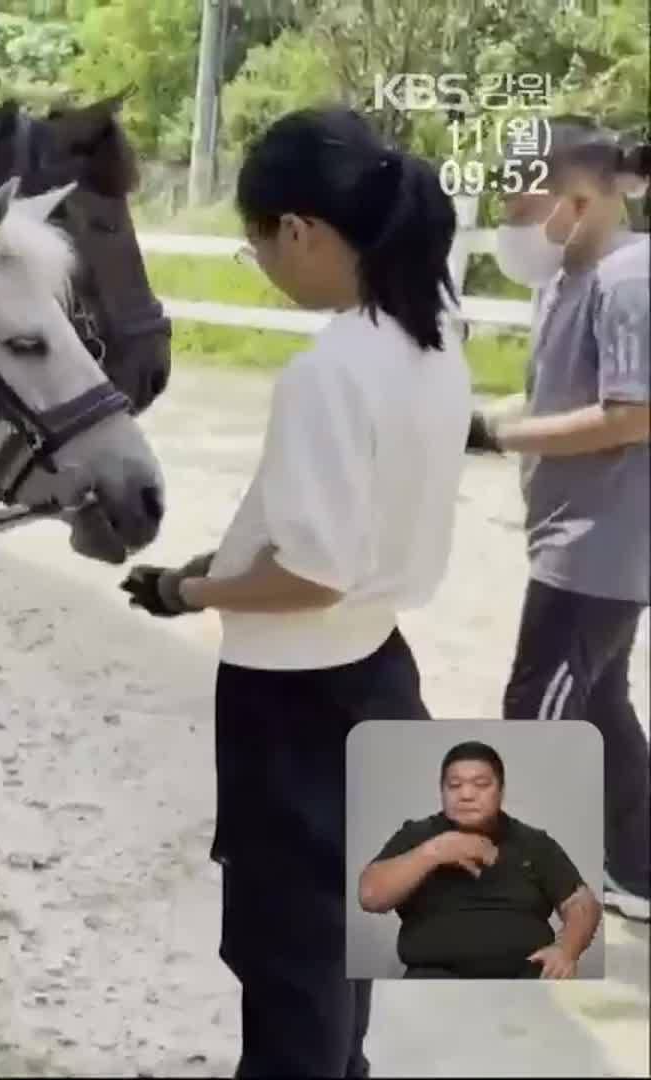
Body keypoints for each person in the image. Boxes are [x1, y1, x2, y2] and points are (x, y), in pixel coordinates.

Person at [118, 107, 472, 1078]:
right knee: (351, 946)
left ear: (302, 232)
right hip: (381, 670)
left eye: (258, 243)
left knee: (289, 963)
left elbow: (309, 574)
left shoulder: (327, 374)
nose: (262, 261)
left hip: (299, 704)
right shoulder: (436, 341)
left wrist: (191, 591)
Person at [470, 117, 651, 925]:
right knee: (600, 705)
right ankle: (640, 868)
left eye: (522, 204)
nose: (514, 221)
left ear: (578, 198)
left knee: (538, 706)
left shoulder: (630, 280)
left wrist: (499, 434)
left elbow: (630, 415)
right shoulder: (567, 280)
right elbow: (557, 399)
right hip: (573, 536)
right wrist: (477, 418)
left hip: (603, 546)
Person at [358, 741, 600, 979]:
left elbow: (582, 903)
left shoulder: (534, 843)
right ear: (442, 791)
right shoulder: (417, 836)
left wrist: (567, 949)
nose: (466, 794)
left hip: (525, 974)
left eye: (481, 784)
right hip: (435, 975)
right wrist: (435, 851)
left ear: (501, 791)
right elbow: (370, 896)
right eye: (454, 785)